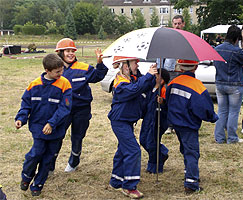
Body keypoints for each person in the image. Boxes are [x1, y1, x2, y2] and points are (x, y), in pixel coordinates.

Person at [15, 54, 72, 196]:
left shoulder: (65, 84)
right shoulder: (34, 85)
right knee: (35, 154)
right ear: (47, 70)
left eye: (62, 70)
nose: (61, 74)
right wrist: (21, 118)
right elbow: (26, 104)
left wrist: (52, 123)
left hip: (56, 130)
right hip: (38, 129)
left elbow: (65, 108)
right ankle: (26, 177)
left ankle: (38, 184)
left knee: (48, 159)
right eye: (57, 72)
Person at [52, 38, 108, 173]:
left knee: (77, 137)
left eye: (72, 51)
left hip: (81, 110)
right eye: (67, 51)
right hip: (62, 110)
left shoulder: (83, 68)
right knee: (56, 137)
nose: (71, 54)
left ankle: (74, 161)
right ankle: (49, 165)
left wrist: (100, 64)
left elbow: (98, 76)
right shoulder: (55, 70)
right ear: (60, 53)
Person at [166, 59, 218, 194]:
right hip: (189, 125)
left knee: (185, 149)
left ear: (180, 68)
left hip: (175, 123)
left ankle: (188, 171)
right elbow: (204, 108)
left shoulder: (172, 82)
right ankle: (191, 183)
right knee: (192, 153)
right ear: (195, 67)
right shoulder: (197, 86)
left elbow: (167, 101)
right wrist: (213, 118)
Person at [108, 56, 157, 199]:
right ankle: (129, 186)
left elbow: (145, 84)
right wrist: (148, 75)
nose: (138, 64)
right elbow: (135, 89)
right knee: (133, 150)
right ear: (125, 66)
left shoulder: (133, 77)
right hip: (120, 121)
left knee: (123, 150)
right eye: (134, 62)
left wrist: (154, 73)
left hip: (127, 121)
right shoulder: (120, 83)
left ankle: (116, 181)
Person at [213, 25, 243, 144]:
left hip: (220, 83)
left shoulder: (217, 49)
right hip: (235, 84)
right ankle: (232, 137)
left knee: (222, 111)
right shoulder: (236, 50)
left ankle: (219, 137)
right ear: (237, 38)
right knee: (233, 112)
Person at [139, 68, 170, 174]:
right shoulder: (150, 88)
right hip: (148, 118)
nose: (153, 77)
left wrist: (163, 102)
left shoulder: (164, 91)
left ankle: (154, 167)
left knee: (152, 143)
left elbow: (169, 106)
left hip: (158, 120)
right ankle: (162, 152)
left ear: (161, 80)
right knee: (143, 140)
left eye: (156, 76)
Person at [160, 14, 185, 135]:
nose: (177, 26)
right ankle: (169, 125)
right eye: (175, 24)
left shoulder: (187, 39)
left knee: (180, 100)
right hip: (169, 72)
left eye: (179, 23)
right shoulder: (168, 40)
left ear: (183, 24)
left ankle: (178, 124)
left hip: (182, 73)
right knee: (168, 99)